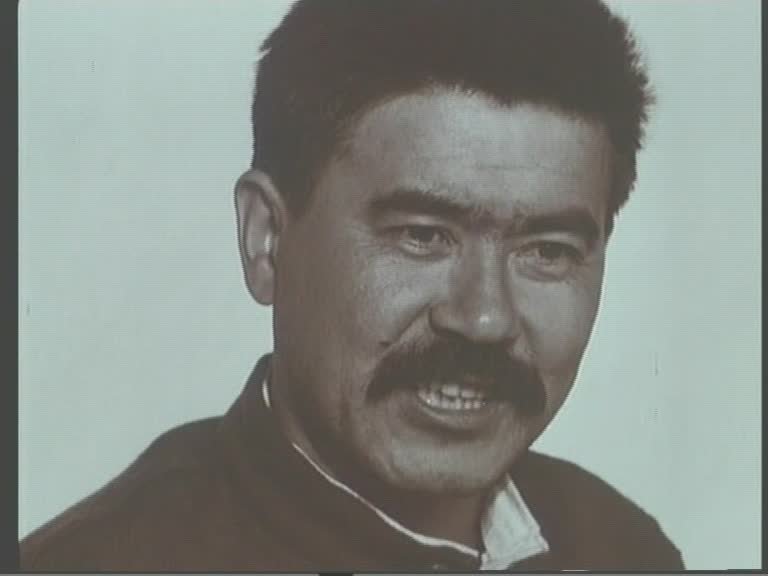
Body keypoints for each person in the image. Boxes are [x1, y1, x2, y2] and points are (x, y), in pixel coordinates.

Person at [20, 0, 684, 570]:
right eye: (422, 235)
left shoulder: (621, 548)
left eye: (547, 250)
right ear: (266, 239)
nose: (485, 317)